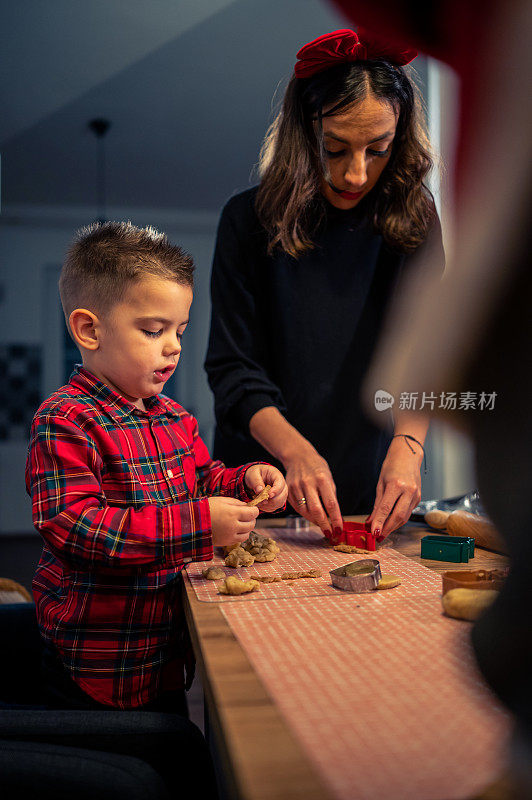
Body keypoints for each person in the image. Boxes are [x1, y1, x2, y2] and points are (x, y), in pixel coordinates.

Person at [25, 221, 287, 711]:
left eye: (180, 331)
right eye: (153, 330)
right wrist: (200, 523)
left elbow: (203, 481)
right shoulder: (63, 420)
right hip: (96, 664)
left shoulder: (176, 418)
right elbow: (77, 529)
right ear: (89, 329)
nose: (174, 346)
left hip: (164, 654)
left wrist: (245, 479)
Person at [205, 28, 445, 542]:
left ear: (399, 138)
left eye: (377, 149)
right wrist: (296, 452)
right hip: (257, 488)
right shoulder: (246, 221)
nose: (356, 175)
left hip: (365, 490)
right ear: (302, 135)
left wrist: (409, 445)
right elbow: (233, 370)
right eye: (334, 149)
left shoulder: (416, 219)